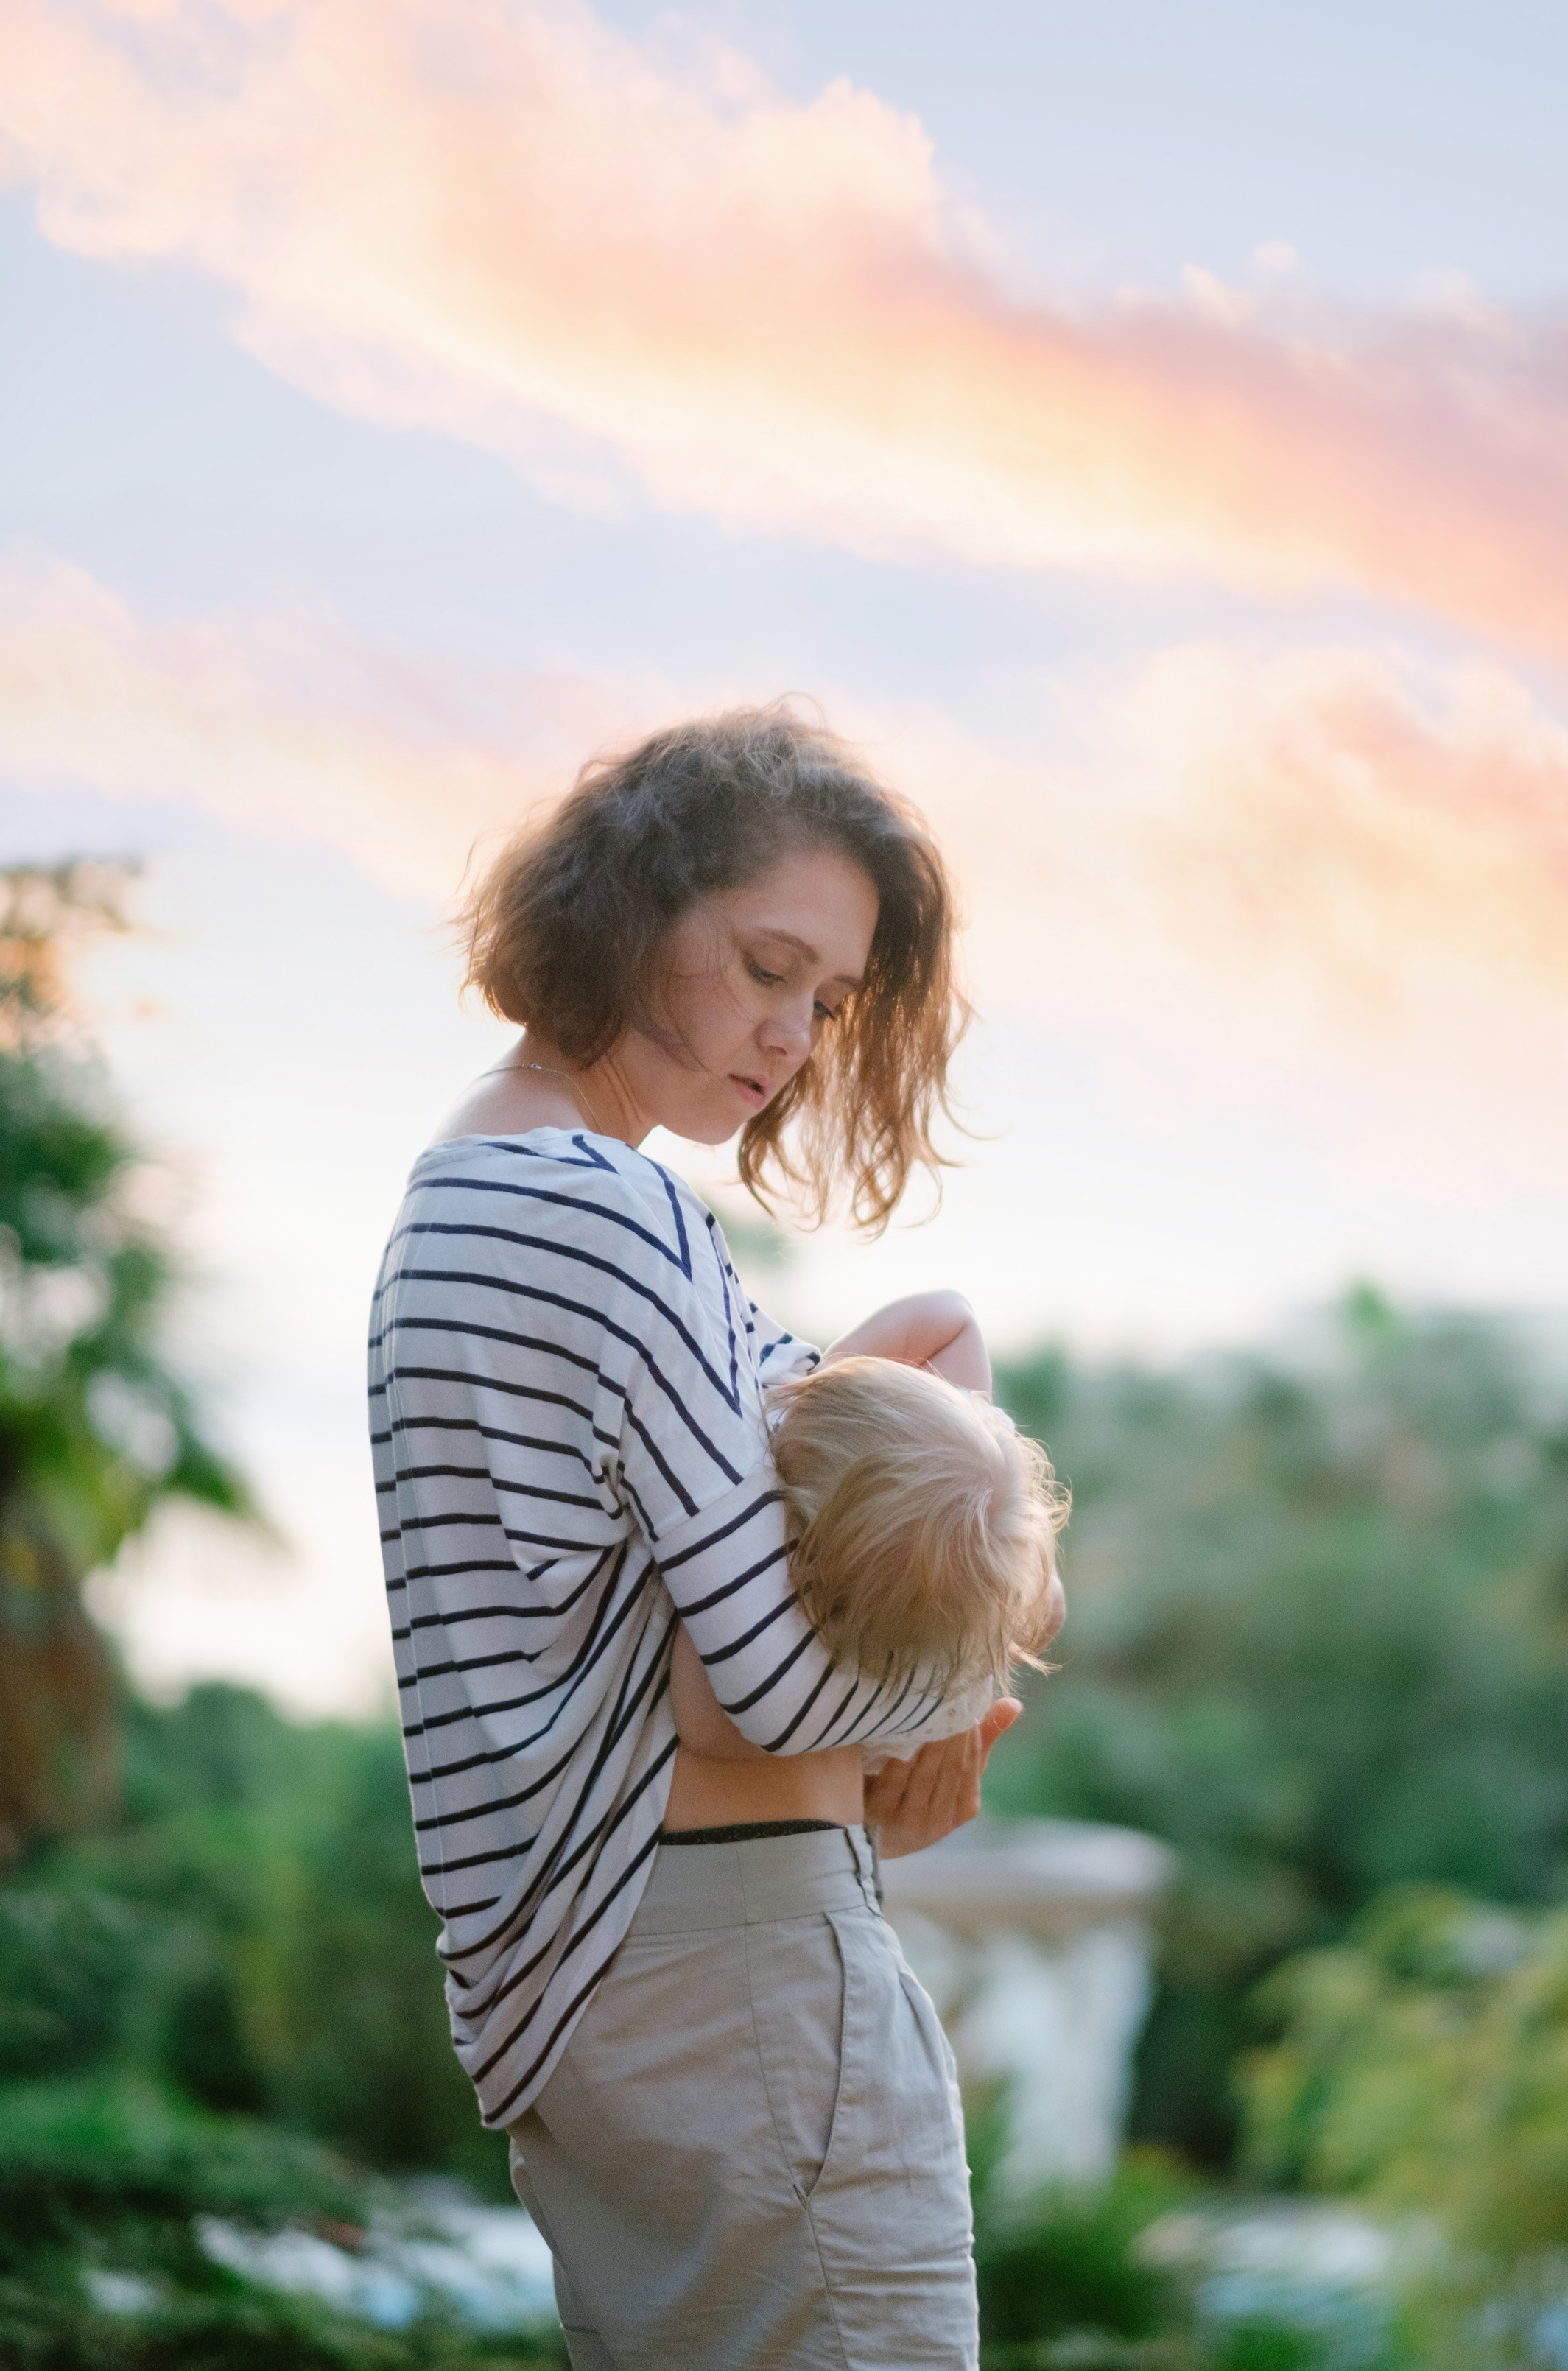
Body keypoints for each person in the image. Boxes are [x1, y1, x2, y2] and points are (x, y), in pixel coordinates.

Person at [369, 708, 1030, 2370]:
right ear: (628, 908)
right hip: (738, 1978)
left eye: (824, 1000)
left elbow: (686, 1589)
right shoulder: (611, 1211)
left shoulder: (458, 1200)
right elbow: (769, 1688)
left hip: (618, 2005)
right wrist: (951, 1702)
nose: (793, 1033)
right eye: (762, 965)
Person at [667, 1312, 1069, 1815]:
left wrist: (822, 1384)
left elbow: (703, 1731)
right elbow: (954, 1320)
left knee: (1039, 1609)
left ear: (805, 1567)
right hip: (951, 1669)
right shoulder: (973, 1453)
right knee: (1045, 1608)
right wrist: (834, 1388)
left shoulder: (794, 1675)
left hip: (879, 1738)